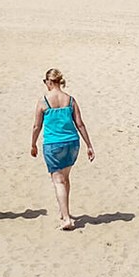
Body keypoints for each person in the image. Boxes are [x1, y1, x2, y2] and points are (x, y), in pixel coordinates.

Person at [30, 68, 95, 231]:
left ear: (49, 82)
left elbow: (37, 126)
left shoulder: (43, 101)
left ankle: (66, 219)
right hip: (72, 142)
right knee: (65, 177)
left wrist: (33, 144)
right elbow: (80, 124)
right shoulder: (70, 100)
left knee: (58, 180)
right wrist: (89, 145)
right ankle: (64, 211)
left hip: (53, 144)